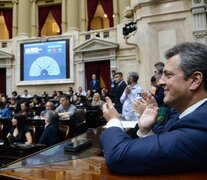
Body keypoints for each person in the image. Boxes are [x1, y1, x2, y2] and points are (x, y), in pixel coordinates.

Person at [99, 42, 207, 175]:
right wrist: (145, 130)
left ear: (195, 80)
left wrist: (114, 121)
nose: (161, 82)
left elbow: (119, 156)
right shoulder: (191, 116)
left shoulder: (200, 123)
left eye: (168, 75)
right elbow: (165, 155)